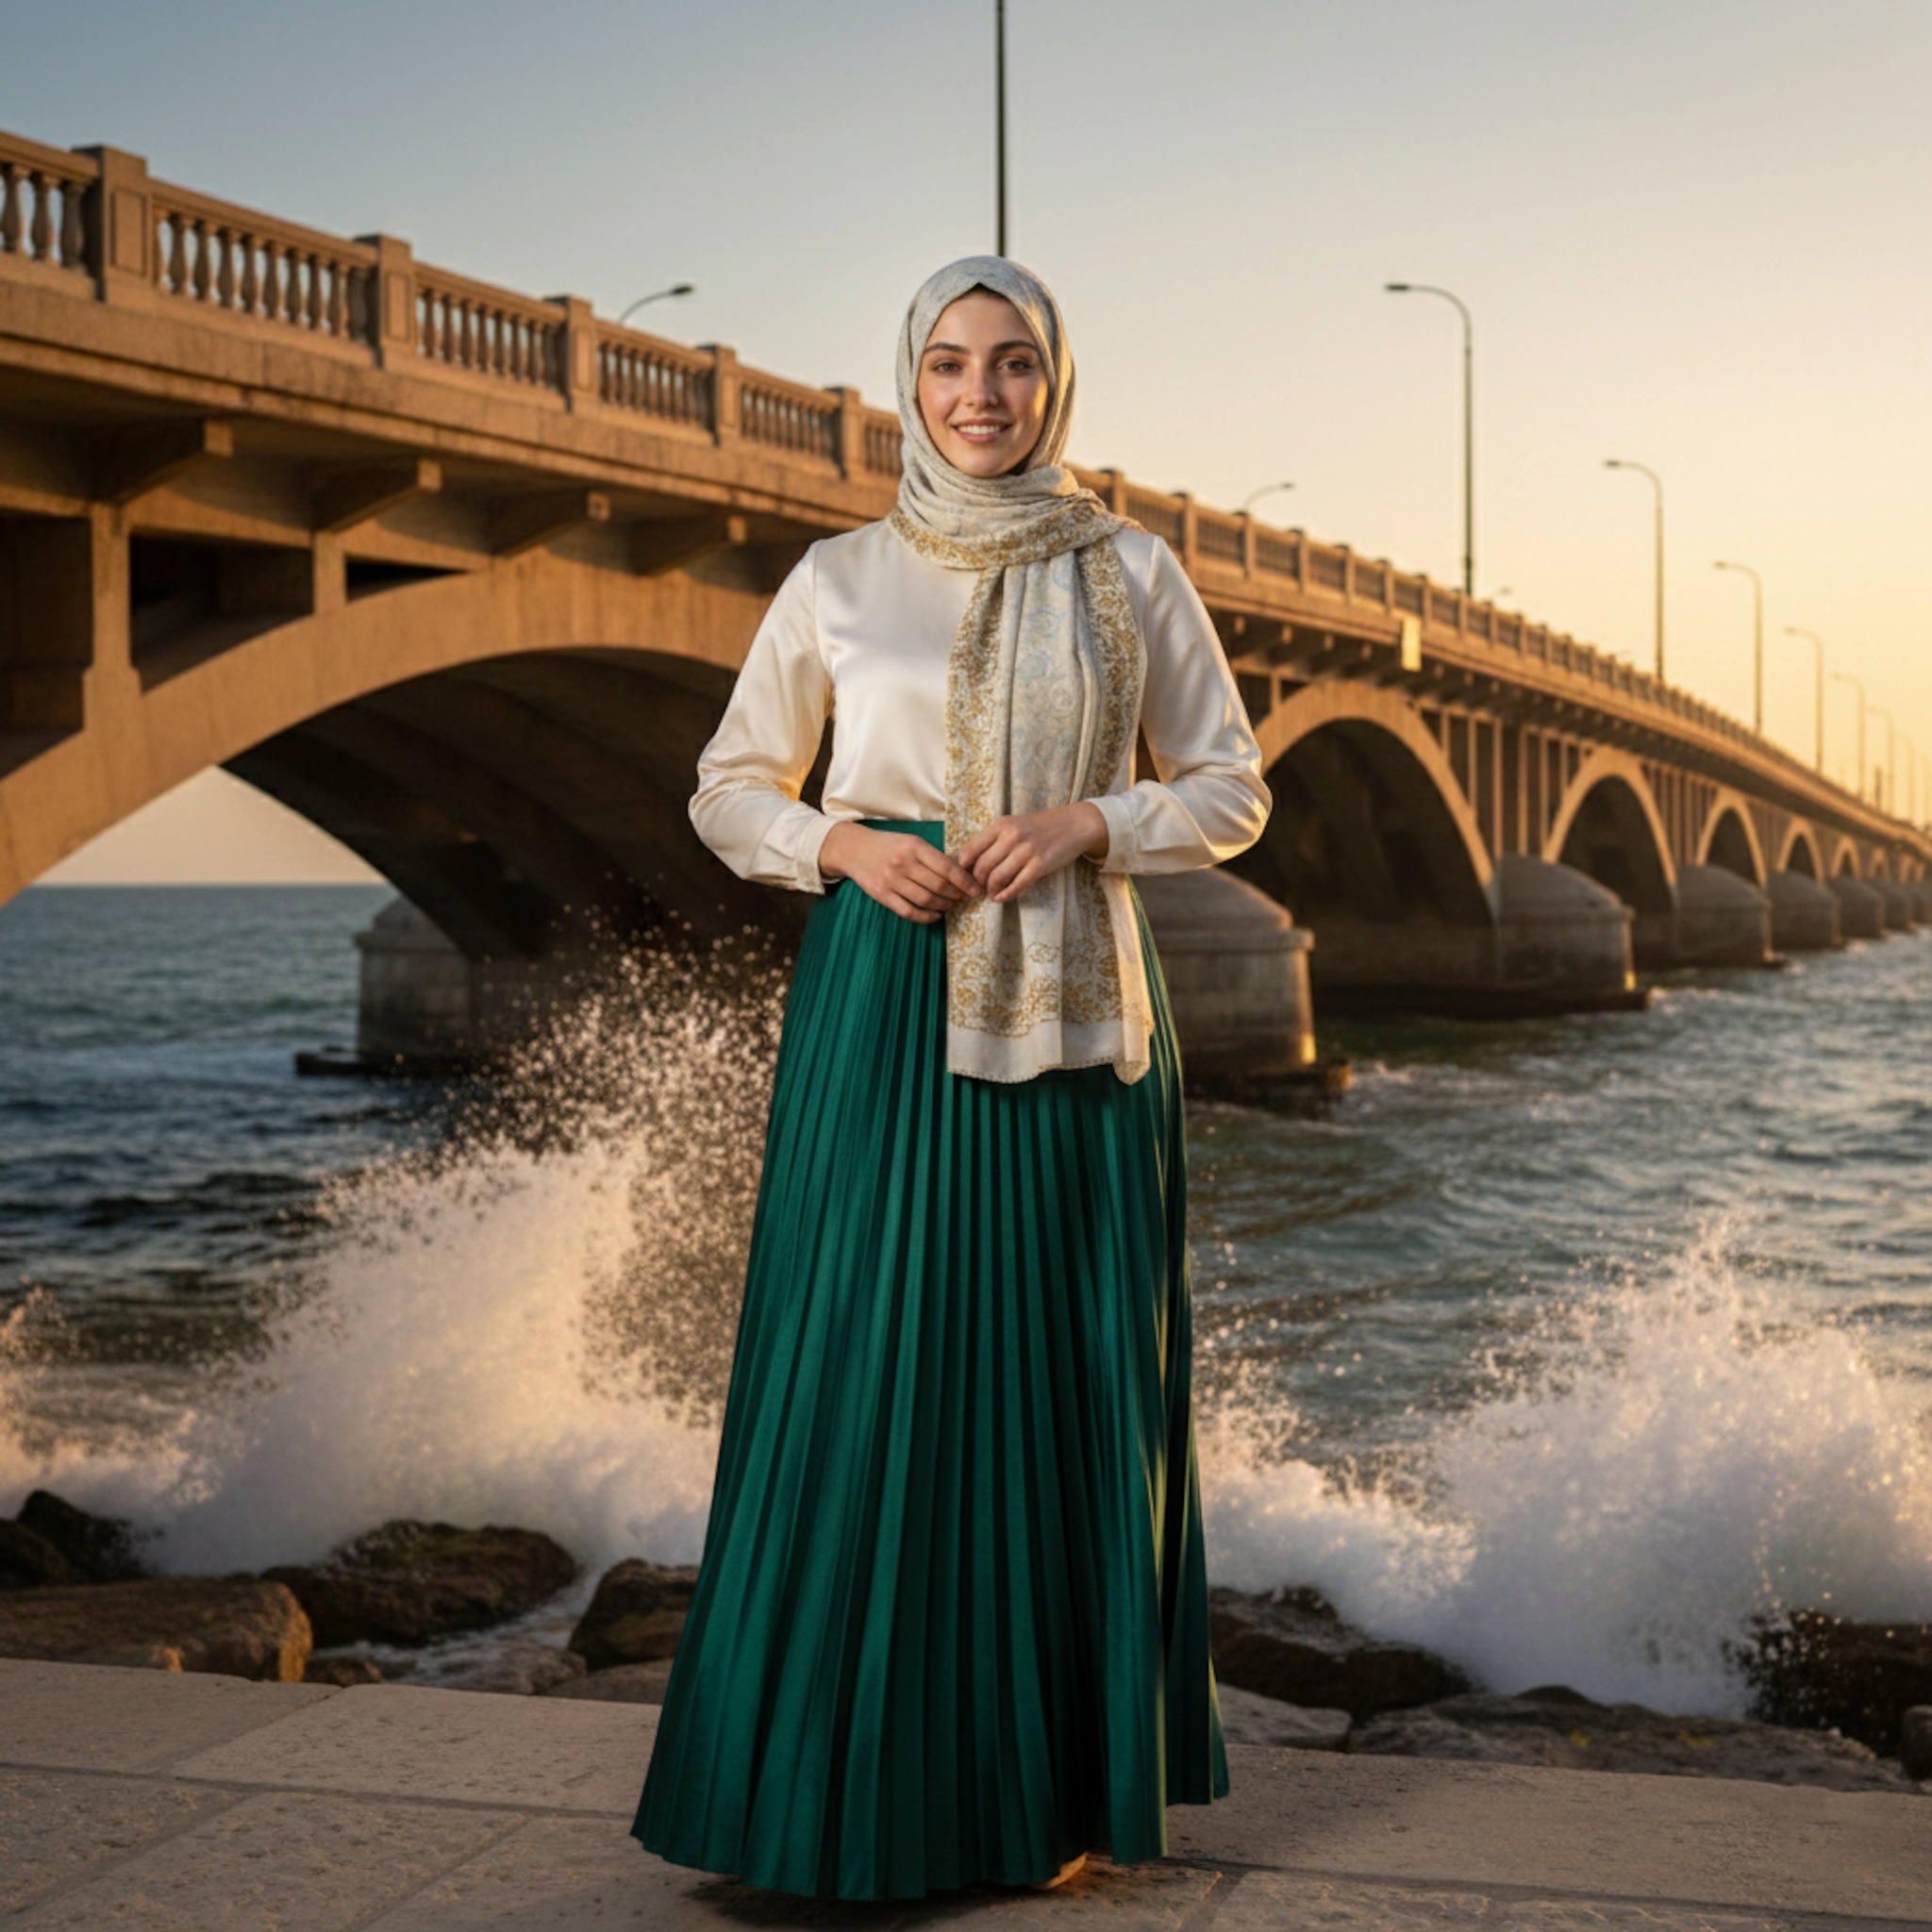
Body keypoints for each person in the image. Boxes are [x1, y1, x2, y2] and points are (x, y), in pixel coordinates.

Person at [630, 255, 1270, 1901]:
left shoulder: (1132, 569)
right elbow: (724, 788)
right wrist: (839, 841)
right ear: (906, 387)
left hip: (1073, 1033)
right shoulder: (840, 577)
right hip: (883, 1005)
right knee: (859, 1369)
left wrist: (1086, 823)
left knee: (1057, 1384)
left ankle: (1038, 1799)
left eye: (1012, 366)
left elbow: (1231, 789)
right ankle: (820, 1800)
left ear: (1058, 385)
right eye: (947, 366)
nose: (980, 396)